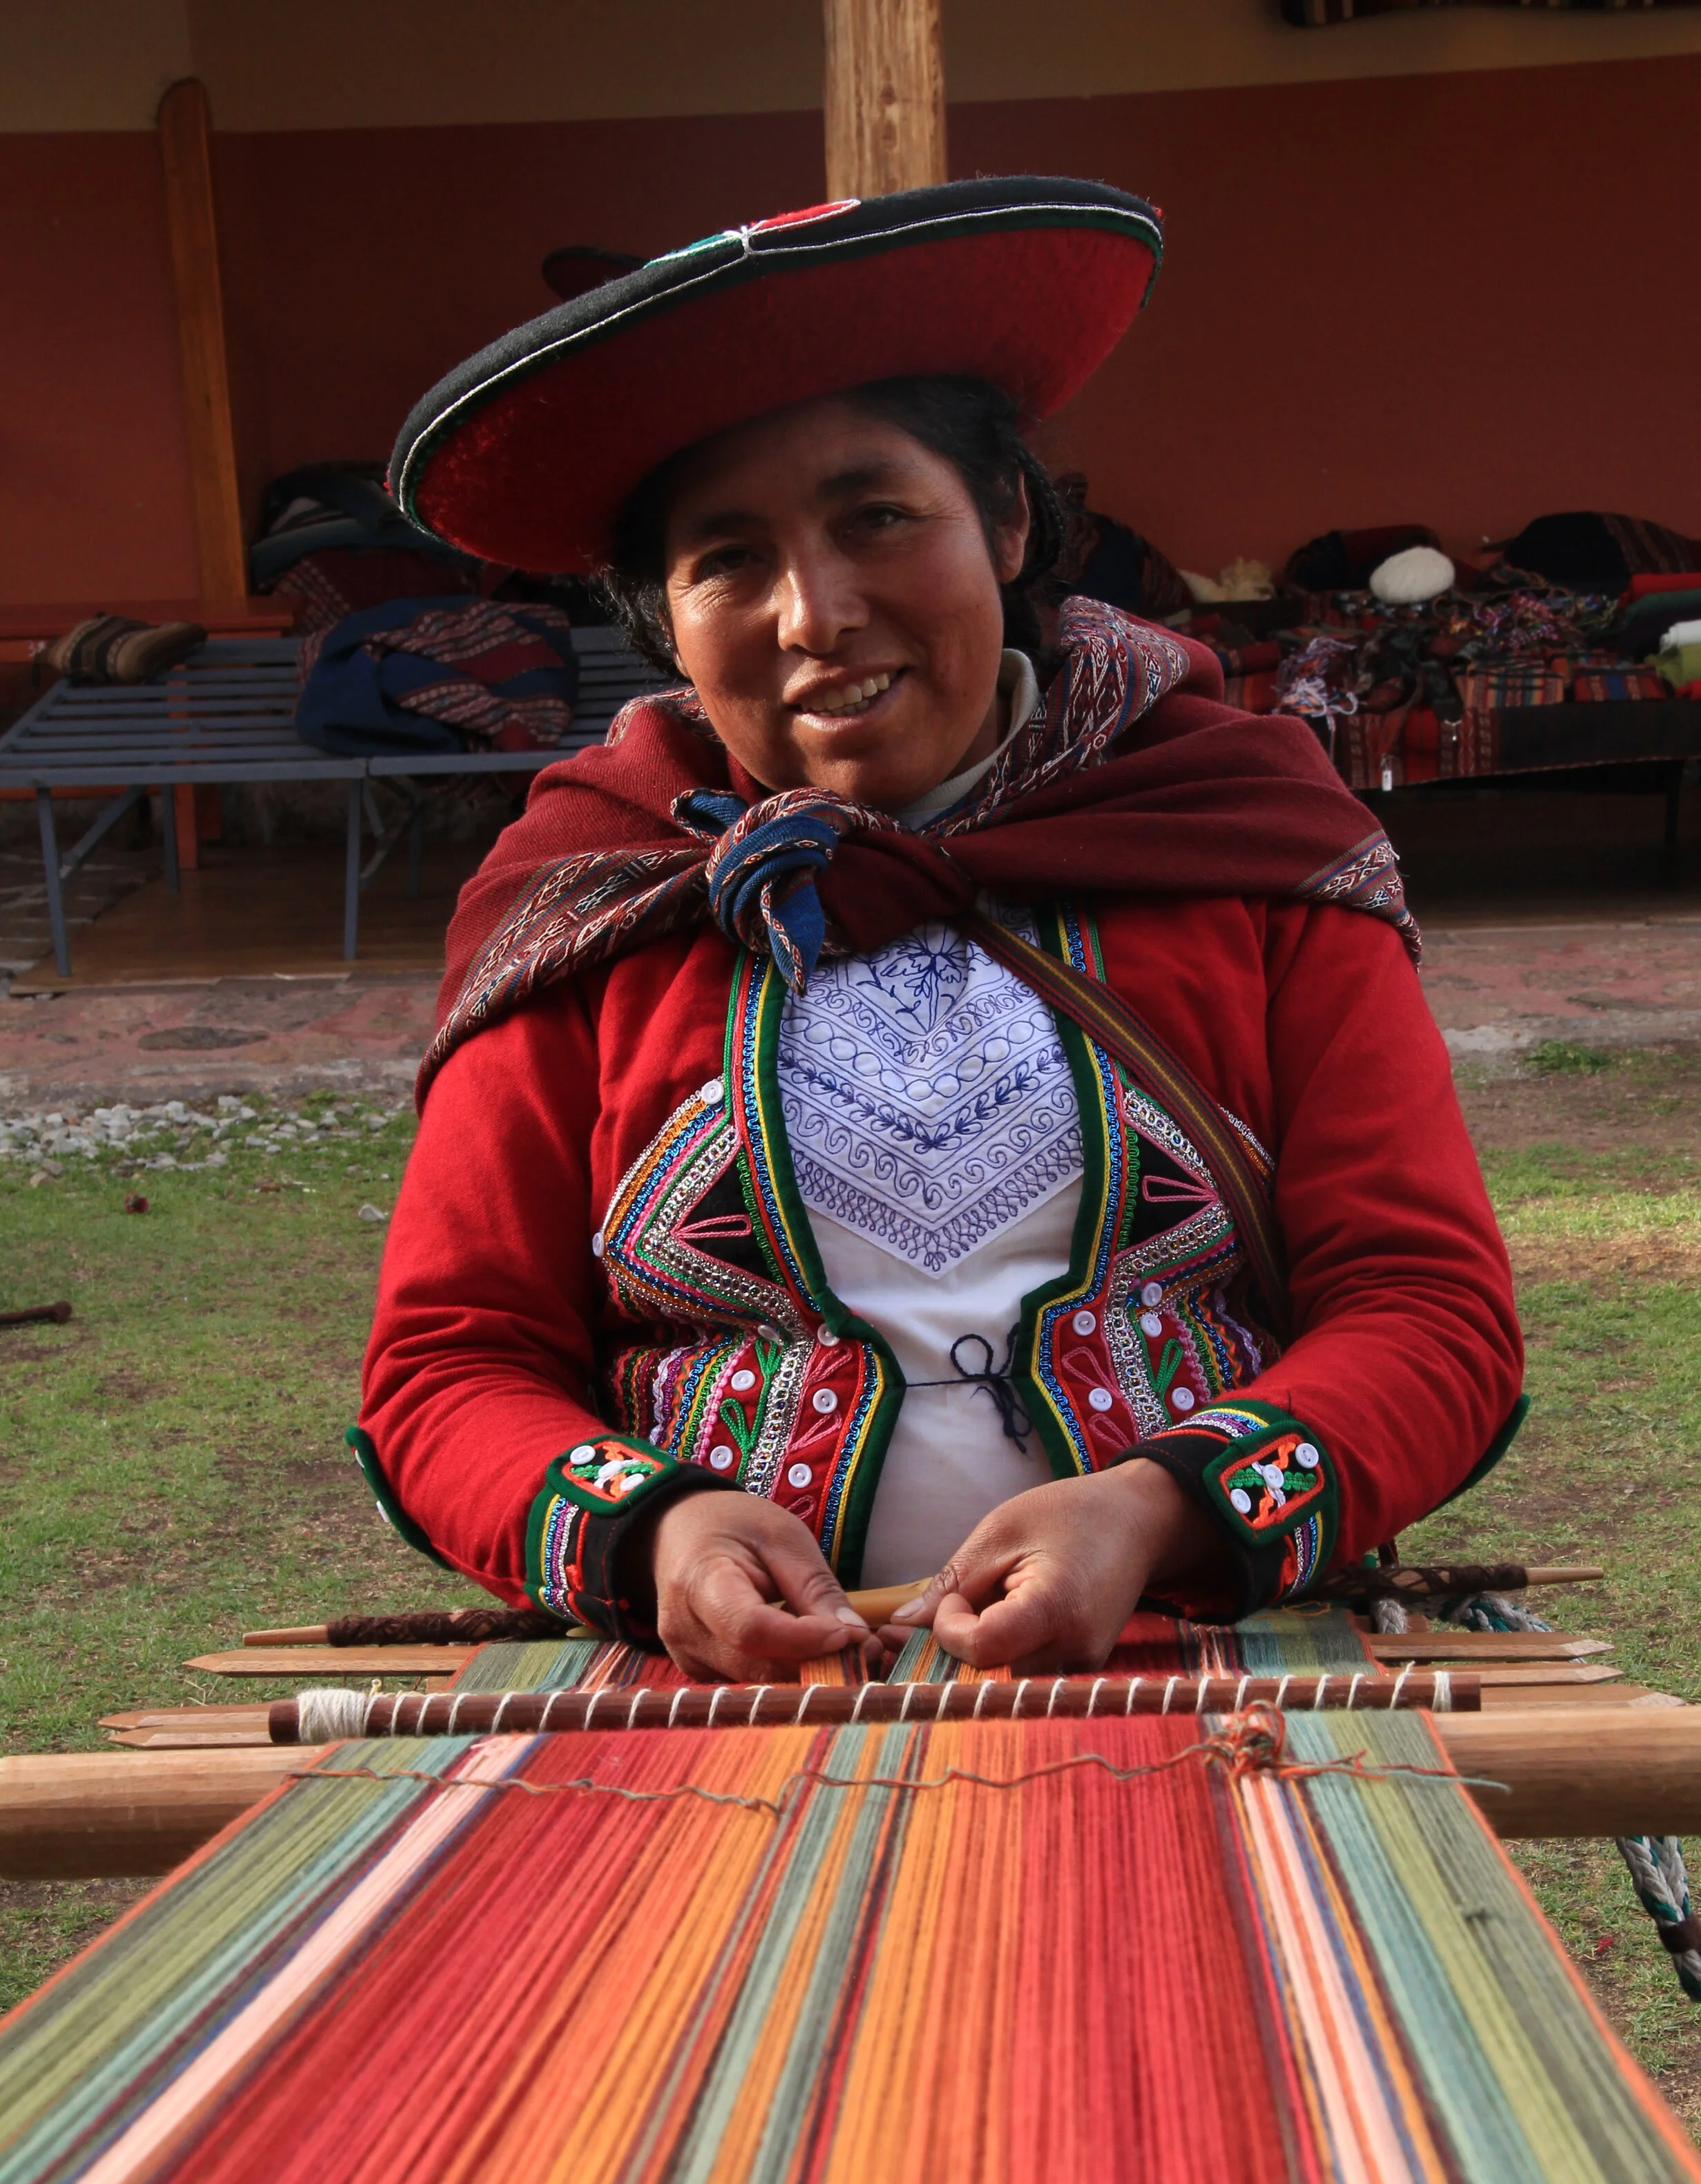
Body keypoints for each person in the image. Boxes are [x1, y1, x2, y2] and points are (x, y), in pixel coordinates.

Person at [357, 178, 1521, 1684]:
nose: (812, 611)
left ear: (1009, 519)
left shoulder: (1240, 840)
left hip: (1203, 1668)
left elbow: (1426, 1309)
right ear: (664, 618)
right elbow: (449, 1365)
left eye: (877, 517)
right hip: (702, 1716)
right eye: (726, 558)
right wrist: (661, 1537)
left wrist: (1157, 1510)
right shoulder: (584, 900)